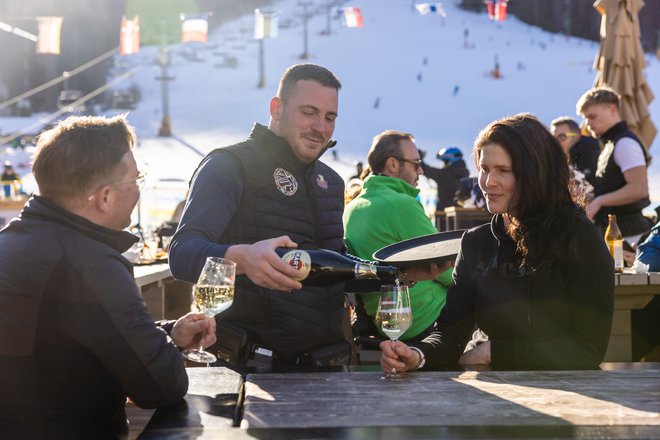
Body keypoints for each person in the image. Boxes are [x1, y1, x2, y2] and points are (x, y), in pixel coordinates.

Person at [169, 64, 442, 370]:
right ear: (276, 108)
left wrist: (402, 275)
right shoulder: (229, 165)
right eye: (308, 112)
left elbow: (334, 274)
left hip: (327, 367)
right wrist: (242, 259)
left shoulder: (330, 181)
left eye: (330, 117)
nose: (321, 128)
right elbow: (181, 254)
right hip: (254, 373)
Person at [0, 115, 217, 439]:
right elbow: (162, 385)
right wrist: (166, 349)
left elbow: (69, 337)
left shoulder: (9, 242)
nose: (138, 189)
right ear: (105, 197)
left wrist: (171, 332)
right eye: (136, 179)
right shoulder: (91, 265)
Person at [380, 113, 614, 372]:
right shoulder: (476, 242)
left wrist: (492, 352)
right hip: (493, 395)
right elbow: (451, 332)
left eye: (503, 171)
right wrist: (417, 355)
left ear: (535, 172)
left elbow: (587, 349)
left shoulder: (578, 237)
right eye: (484, 169)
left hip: (569, 397)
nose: (488, 183)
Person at [343, 130, 453, 344]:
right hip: (423, 317)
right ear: (393, 164)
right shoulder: (401, 205)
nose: (420, 170)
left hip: (383, 318)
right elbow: (443, 267)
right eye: (415, 163)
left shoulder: (353, 207)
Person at [576, 86, 651, 245]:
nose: (587, 124)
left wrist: (599, 201)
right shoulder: (612, 144)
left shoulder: (625, 143)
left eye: (592, 116)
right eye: (585, 118)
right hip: (618, 233)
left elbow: (639, 188)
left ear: (612, 109)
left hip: (630, 237)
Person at [550, 116, 601, 185]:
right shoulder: (558, 162)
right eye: (553, 139)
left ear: (576, 136)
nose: (557, 142)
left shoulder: (591, 156)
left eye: (561, 137)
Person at [419, 146, 469, 212]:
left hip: (444, 214)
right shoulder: (464, 173)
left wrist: (418, 157)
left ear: (449, 160)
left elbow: (427, 170)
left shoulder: (446, 174)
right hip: (460, 214)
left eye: (445, 161)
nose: (444, 164)